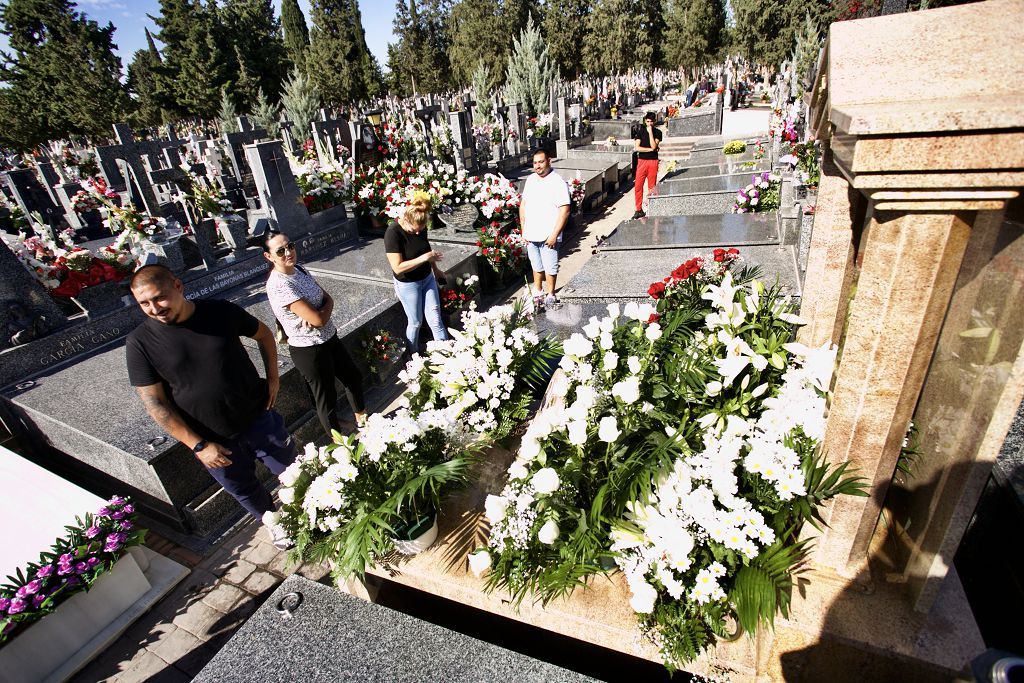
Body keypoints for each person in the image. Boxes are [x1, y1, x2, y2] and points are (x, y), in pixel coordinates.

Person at [125, 264, 296, 548]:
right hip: (212, 442)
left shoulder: (219, 312)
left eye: (159, 297)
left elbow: (265, 335)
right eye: (144, 303)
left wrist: (274, 379)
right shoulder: (140, 343)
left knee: (294, 470)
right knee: (245, 490)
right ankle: (275, 524)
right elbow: (154, 403)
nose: (154, 308)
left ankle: (318, 511)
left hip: (258, 419)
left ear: (178, 286)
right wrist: (198, 446)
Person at [263, 230, 366, 436]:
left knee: (352, 377)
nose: (288, 252)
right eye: (280, 251)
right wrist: (322, 310)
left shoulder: (299, 269)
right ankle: (341, 446)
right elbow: (318, 319)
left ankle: (364, 423)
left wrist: (322, 309)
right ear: (269, 256)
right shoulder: (279, 285)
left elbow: (326, 300)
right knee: (326, 400)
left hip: (329, 337)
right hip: (309, 350)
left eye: (290, 246)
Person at [384, 191, 449, 357]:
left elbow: (426, 250)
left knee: (435, 319)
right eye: (414, 231)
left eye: (421, 230)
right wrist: (424, 258)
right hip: (408, 284)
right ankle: (414, 356)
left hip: (427, 278)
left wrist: (435, 269)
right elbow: (397, 267)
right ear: (406, 219)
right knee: (416, 322)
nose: (418, 233)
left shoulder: (420, 225)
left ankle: (447, 355)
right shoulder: (393, 233)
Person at [519, 148, 570, 308]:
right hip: (531, 232)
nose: (538, 166)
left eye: (541, 161)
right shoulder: (531, 180)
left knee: (550, 266)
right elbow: (523, 205)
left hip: (549, 234)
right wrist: (523, 229)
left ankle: (551, 294)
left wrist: (555, 234)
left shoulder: (557, 182)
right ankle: (538, 290)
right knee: (536, 265)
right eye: (535, 163)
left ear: (549, 161)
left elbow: (565, 210)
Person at [632, 112, 662, 219]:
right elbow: (637, 148)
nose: (649, 124)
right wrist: (650, 149)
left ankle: (650, 208)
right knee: (638, 186)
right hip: (642, 161)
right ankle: (638, 209)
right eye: (648, 121)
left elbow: (654, 145)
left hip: (653, 161)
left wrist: (650, 133)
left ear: (654, 122)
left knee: (651, 187)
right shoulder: (640, 132)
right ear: (645, 121)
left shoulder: (658, 132)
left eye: (651, 122)